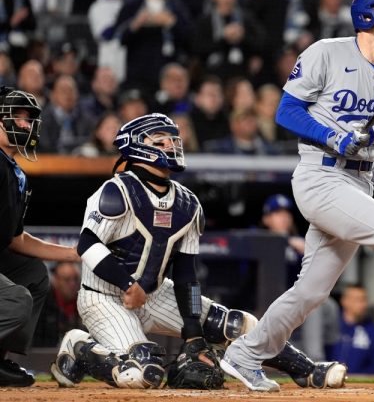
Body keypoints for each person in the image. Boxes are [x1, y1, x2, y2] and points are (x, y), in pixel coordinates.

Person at [222, 0, 374, 393]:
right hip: (320, 175)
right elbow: (286, 111)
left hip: (358, 181)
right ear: (366, 14)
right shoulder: (326, 52)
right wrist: (334, 136)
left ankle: (245, 352)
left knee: (312, 291)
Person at [49, 113, 347, 390]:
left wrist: (193, 331)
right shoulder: (116, 191)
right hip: (104, 295)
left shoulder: (187, 203)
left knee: (236, 324)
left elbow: (186, 275)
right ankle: (80, 347)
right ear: (138, 147)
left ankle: (306, 370)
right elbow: (87, 244)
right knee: (144, 372)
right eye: (161, 141)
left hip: (153, 293)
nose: (172, 145)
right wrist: (127, 285)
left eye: (173, 140)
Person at [0, 87, 80, 386]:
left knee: (32, 274)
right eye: (16, 118)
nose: (25, 125)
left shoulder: (12, 170)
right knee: (14, 298)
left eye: (28, 120)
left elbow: (15, 239)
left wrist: (73, 253)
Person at [260, 194, 340, 361]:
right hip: (265, 300)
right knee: (312, 304)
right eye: (277, 213)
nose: (284, 218)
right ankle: (316, 359)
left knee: (330, 306)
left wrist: (309, 253)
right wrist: (287, 242)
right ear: (267, 219)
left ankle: (331, 356)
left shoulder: (302, 244)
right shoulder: (258, 239)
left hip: (294, 297)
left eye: (286, 213)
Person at [330, 284, 374, 374]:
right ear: (344, 301)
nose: (362, 304)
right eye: (357, 300)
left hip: (359, 383)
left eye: (364, 300)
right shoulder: (331, 326)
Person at [33, 262, 84, 347]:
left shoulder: (84, 305)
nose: (72, 284)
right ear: (56, 280)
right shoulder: (42, 306)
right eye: (67, 279)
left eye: (75, 279)